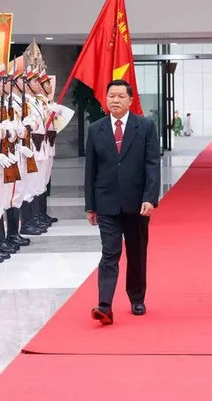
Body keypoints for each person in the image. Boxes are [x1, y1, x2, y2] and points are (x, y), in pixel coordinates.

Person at [84, 79, 160, 325]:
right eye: (111, 96)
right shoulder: (96, 129)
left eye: (120, 96)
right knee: (110, 253)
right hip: (106, 202)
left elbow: (152, 164)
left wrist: (150, 198)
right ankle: (104, 305)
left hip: (137, 203)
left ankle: (137, 298)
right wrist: (90, 206)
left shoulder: (145, 126)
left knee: (136, 253)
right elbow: (90, 169)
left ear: (130, 100)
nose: (115, 100)